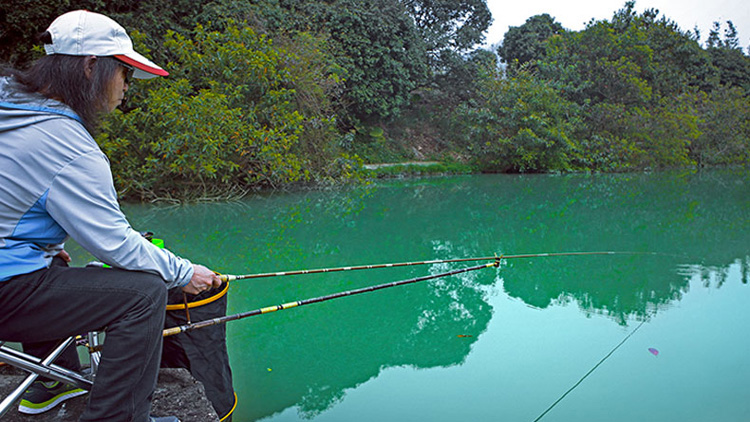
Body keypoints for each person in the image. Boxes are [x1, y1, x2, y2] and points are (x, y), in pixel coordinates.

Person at [0, 10, 222, 422]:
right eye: (123, 74)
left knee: (54, 266)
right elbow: (114, 242)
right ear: (91, 67)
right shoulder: (66, 144)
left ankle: (51, 385)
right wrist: (184, 272)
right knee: (143, 294)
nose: (125, 88)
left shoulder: (12, 108)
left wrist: (35, 246)